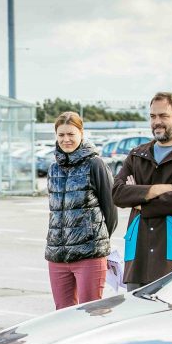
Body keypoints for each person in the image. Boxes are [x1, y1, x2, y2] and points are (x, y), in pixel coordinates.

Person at [112, 92, 172, 290]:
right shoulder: (138, 154)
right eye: (153, 116)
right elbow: (117, 193)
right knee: (136, 316)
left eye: (163, 116)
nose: (157, 122)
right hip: (139, 256)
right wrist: (158, 189)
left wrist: (140, 200)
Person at [46, 111, 116, 309]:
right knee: (62, 314)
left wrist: (97, 242)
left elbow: (110, 211)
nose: (66, 139)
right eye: (61, 135)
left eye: (71, 134)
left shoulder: (95, 164)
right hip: (57, 255)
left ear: (81, 133)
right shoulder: (53, 168)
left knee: (90, 313)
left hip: (89, 255)